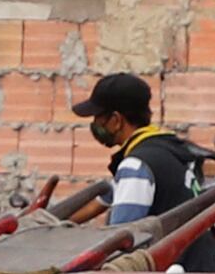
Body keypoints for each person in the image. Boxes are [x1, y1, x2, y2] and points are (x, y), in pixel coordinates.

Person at [72, 71, 207, 221]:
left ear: (116, 120)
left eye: (98, 117)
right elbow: (103, 199)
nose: (95, 123)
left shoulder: (136, 166)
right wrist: (55, 222)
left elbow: (120, 236)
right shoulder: (167, 148)